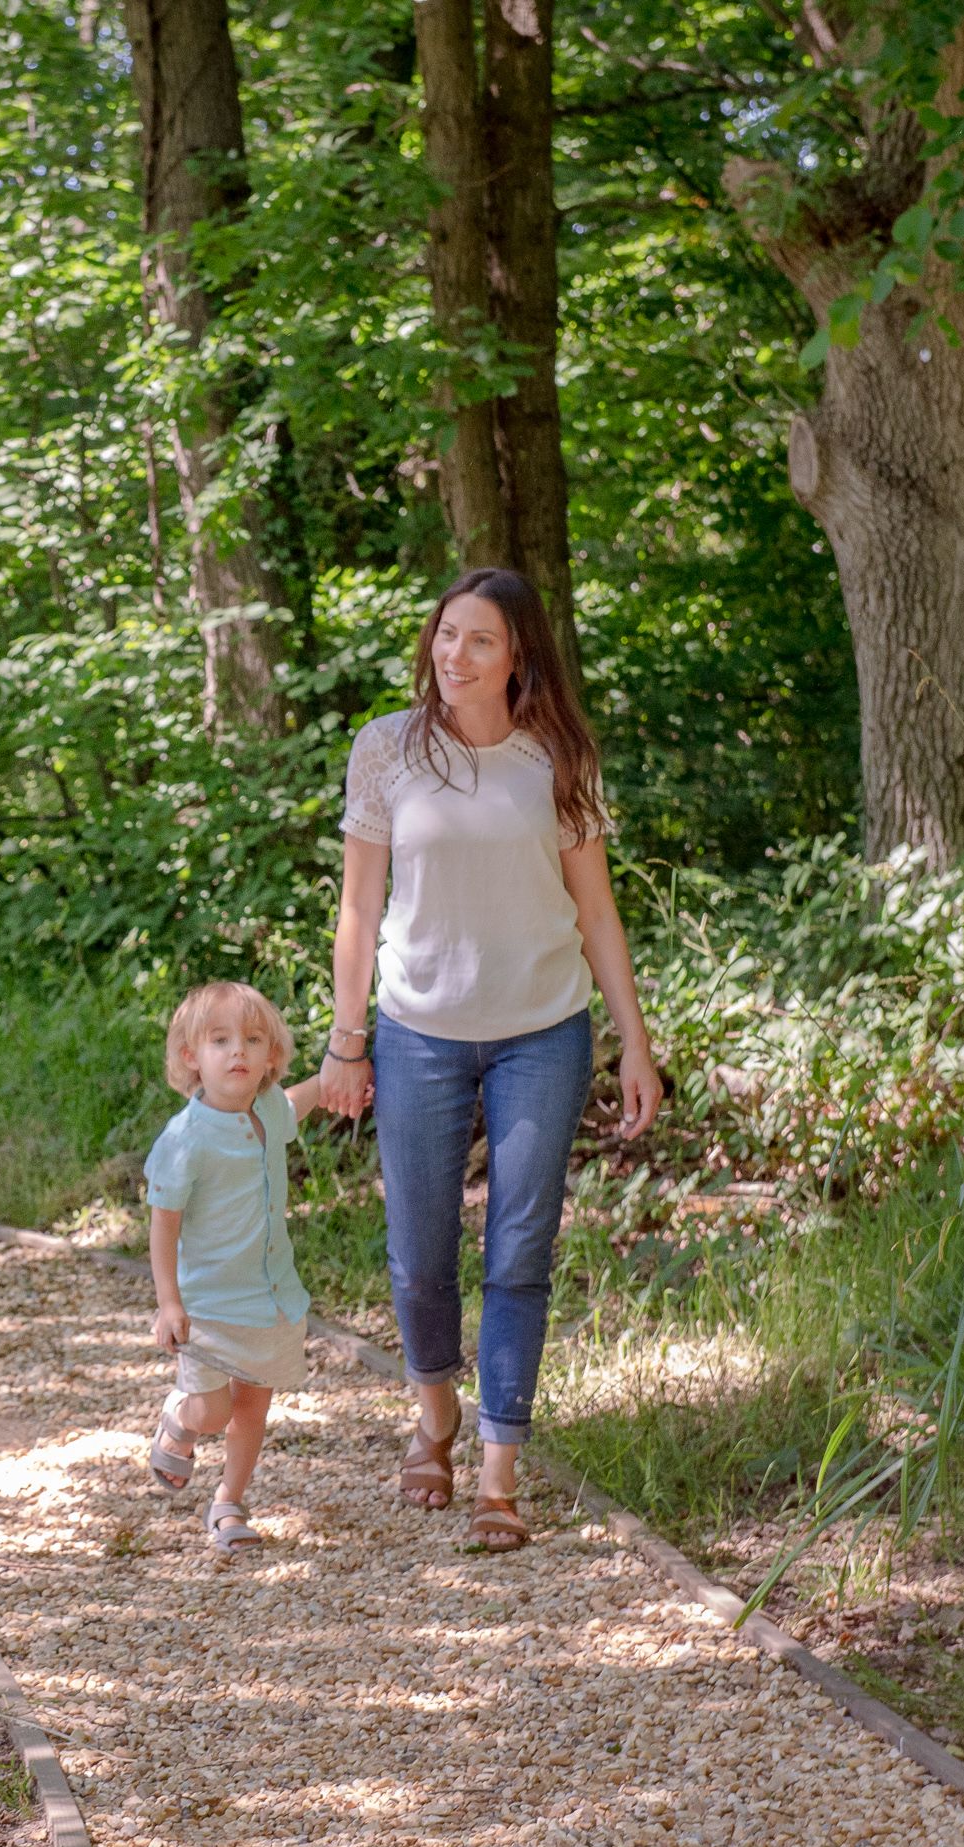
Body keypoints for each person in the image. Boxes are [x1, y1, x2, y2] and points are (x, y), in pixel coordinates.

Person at [316, 567, 660, 1553]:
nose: (452, 655)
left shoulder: (557, 755)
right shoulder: (387, 749)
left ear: (519, 659)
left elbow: (596, 910)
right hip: (417, 1032)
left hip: (543, 1034)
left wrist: (635, 1040)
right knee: (421, 1259)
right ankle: (435, 1420)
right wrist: (347, 1037)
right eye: (444, 635)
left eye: (477, 641)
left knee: (518, 1253)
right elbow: (358, 907)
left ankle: (500, 1479)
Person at [143, 982, 330, 1554]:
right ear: (191, 1058)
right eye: (220, 1040)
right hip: (209, 1306)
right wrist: (169, 1301)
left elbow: (296, 1104)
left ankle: (229, 1501)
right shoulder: (185, 1140)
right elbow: (164, 1223)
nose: (237, 1052)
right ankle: (181, 1416)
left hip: (270, 1298)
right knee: (213, 1409)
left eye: (252, 1040)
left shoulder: (268, 1109)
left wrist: (336, 1078)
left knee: (252, 1408)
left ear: (271, 1056)